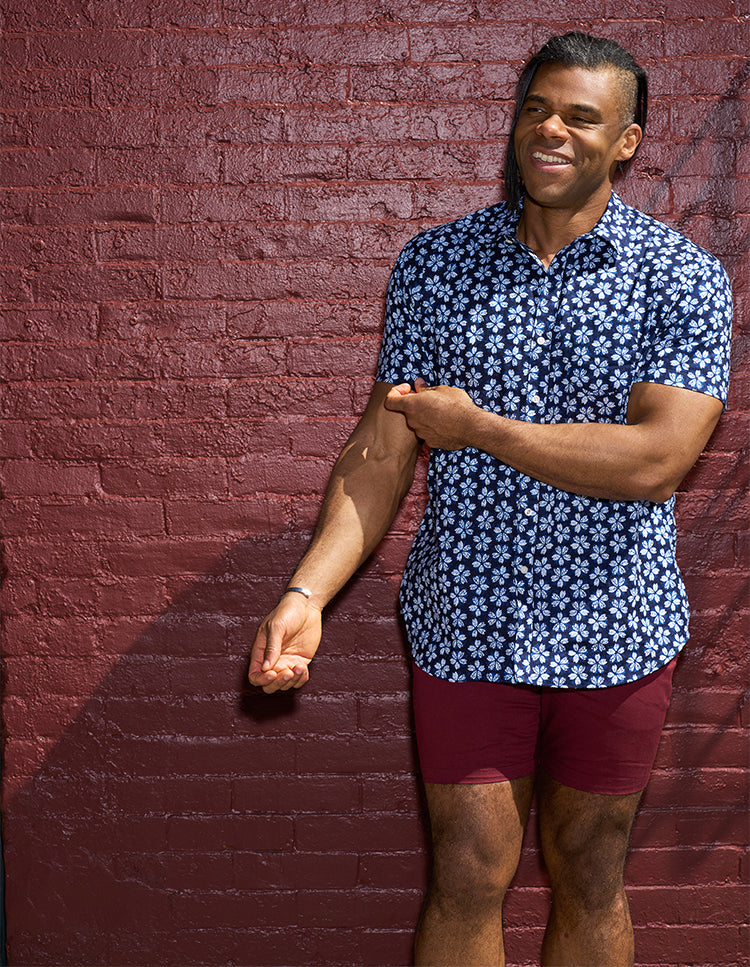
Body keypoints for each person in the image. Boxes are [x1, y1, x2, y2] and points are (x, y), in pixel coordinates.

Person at [248, 31, 732, 967]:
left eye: (582, 117)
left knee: (591, 867)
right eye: (536, 109)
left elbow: (657, 460)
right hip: (468, 619)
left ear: (625, 141)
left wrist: (482, 429)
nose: (551, 130)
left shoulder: (682, 278)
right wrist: (305, 594)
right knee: (468, 869)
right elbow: (381, 450)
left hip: (618, 623)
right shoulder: (437, 268)